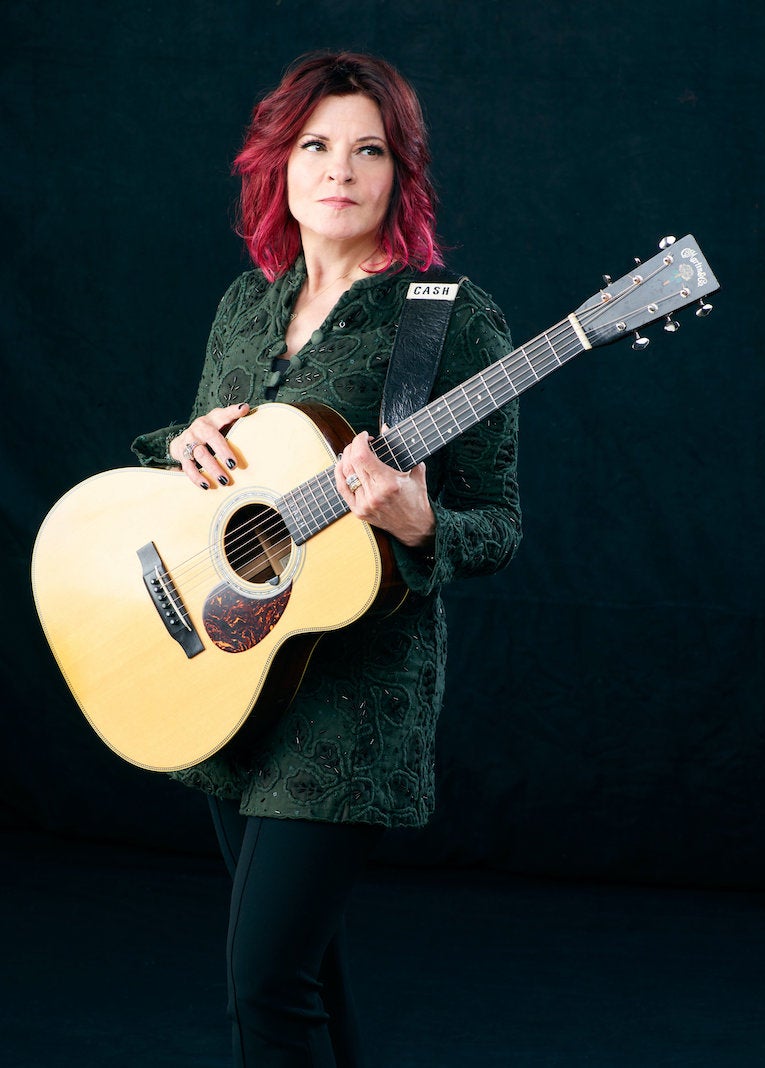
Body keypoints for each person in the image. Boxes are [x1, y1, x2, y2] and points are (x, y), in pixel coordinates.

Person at [132, 51, 522, 1068]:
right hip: (233, 673)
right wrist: (183, 444)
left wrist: (417, 525)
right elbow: (204, 489)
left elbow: (497, 524)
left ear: (401, 174)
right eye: (314, 144)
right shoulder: (246, 305)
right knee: (302, 976)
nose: (338, 170)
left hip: (352, 706)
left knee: (264, 984)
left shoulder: (446, 320)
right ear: (278, 163)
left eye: (368, 149)